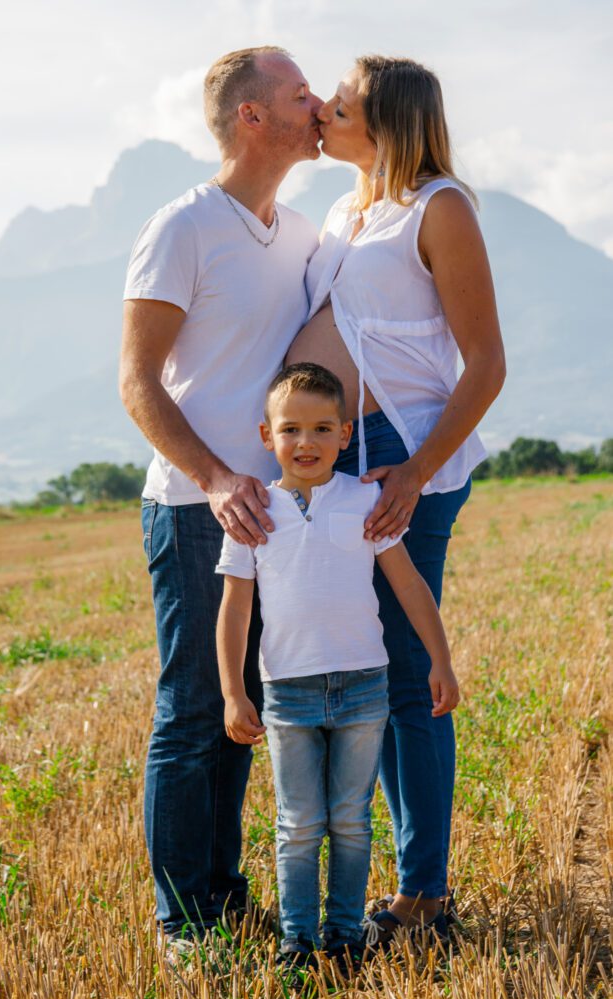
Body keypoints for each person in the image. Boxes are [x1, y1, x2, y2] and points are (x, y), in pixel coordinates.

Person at [285, 56, 506, 943]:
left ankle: (426, 898)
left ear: (383, 123)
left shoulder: (438, 207)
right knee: (368, 670)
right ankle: (410, 887)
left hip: (399, 458)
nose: (323, 113)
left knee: (408, 678)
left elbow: (485, 363)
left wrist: (413, 473)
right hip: (335, 460)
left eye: (337, 105)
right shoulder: (348, 209)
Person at [119, 46, 322, 951]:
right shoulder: (183, 226)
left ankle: (222, 898)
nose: (317, 104)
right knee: (197, 710)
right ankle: (183, 924)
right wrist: (213, 477)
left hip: (274, 516)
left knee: (243, 710)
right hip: (197, 510)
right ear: (251, 116)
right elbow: (135, 381)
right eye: (297, 94)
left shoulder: (306, 232)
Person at [216, 363, 460, 970]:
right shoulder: (252, 513)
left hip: (362, 688)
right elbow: (234, 611)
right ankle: (298, 941)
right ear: (266, 436)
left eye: (323, 428)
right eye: (291, 428)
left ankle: (345, 937)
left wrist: (441, 659)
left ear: (346, 435)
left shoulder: (366, 500)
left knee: (351, 822)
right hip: (288, 692)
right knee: (298, 824)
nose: (308, 442)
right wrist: (232, 692)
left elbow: (408, 586)